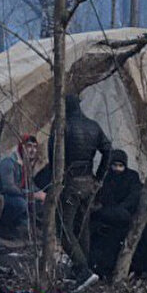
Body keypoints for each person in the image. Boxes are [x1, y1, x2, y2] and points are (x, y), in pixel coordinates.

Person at [48, 94, 112, 258]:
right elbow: (108, 151)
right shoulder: (93, 126)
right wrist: (98, 177)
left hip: (71, 189)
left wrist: (56, 181)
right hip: (88, 186)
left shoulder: (62, 126)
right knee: (83, 227)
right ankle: (86, 268)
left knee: (64, 228)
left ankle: (82, 269)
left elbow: (52, 156)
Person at [88, 149, 143, 278]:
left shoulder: (132, 178)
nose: (117, 169)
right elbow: (102, 197)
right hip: (107, 219)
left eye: (120, 166)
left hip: (124, 218)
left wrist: (118, 210)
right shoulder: (107, 178)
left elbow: (133, 198)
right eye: (114, 165)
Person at [0, 135, 44, 245]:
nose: (32, 150)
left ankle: (29, 229)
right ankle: (2, 227)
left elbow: (30, 184)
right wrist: (32, 195)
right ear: (22, 147)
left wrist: (42, 193)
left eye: (35, 147)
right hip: (0, 197)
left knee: (42, 201)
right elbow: (8, 187)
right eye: (29, 146)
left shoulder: (26, 164)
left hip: (17, 195)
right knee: (20, 203)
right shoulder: (9, 162)